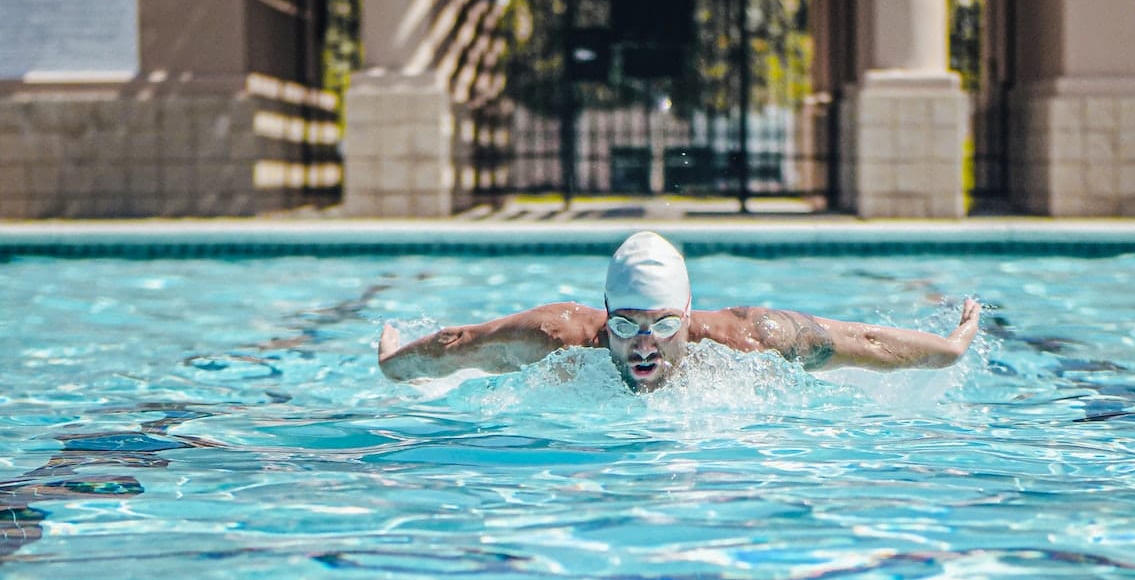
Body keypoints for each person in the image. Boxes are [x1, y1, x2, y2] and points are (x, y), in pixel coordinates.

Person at [378, 230, 980, 392]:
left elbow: (863, 342)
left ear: (688, 317)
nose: (644, 344)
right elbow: (460, 343)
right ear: (605, 316)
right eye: (627, 325)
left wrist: (948, 351)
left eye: (664, 325)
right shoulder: (558, 336)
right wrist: (394, 366)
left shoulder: (748, 338)